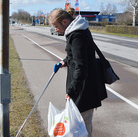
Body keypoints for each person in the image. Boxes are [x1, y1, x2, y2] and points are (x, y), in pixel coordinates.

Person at [49, 8, 107, 137]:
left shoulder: (77, 35)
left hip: (84, 88)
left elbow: (81, 66)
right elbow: (75, 56)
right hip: (83, 85)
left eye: (56, 26)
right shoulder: (76, 31)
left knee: (83, 126)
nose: (55, 30)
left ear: (64, 22)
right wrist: (64, 62)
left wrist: (71, 90)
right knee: (78, 125)